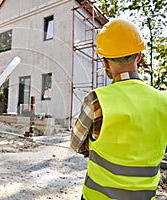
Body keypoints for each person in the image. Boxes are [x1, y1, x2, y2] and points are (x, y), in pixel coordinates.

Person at [70, 18, 167, 200]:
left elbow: (75, 143)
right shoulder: (164, 101)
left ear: (105, 62)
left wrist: (91, 146)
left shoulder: (96, 100)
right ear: (138, 56)